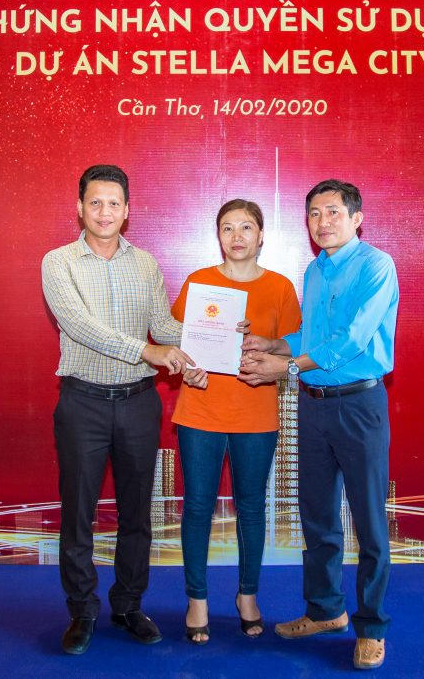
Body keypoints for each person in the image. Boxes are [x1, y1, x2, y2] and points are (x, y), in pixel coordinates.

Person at [239, 179, 398, 671]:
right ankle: (326, 611)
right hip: (313, 405)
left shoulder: (376, 265)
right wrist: (272, 344)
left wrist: (285, 367)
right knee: (318, 515)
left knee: (369, 522)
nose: (322, 222)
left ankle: (371, 628)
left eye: (333, 212)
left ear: (356, 218)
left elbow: (352, 340)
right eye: (313, 213)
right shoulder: (315, 269)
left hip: (359, 405)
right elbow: (310, 334)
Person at [41, 164, 196, 656]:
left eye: (113, 203)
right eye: (95, 202)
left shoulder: (145, 264)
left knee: (137, 514)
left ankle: (128, 605)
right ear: (79, 208)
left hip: (137, 404)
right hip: (82, 403)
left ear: (127, 210)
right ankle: (81, 610)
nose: (104, 212)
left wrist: (214, 333)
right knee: (78, 513)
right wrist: (146, 350)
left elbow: (163, 327)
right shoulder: (58, 262)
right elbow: (80, 326)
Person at [170, 199, 301, 644]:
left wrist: (267, 348)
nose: (237, 236)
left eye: (247, 227)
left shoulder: (280, 287)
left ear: (261, 235)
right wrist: (185, 367)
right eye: (228, 227)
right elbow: (177, 341)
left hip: (256, 413)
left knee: (251, 507)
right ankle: (197, 599)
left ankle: (248, 595)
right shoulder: (198, 282)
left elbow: (294, 347)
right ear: (218, 236)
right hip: (200, 409)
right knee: (197, 507)